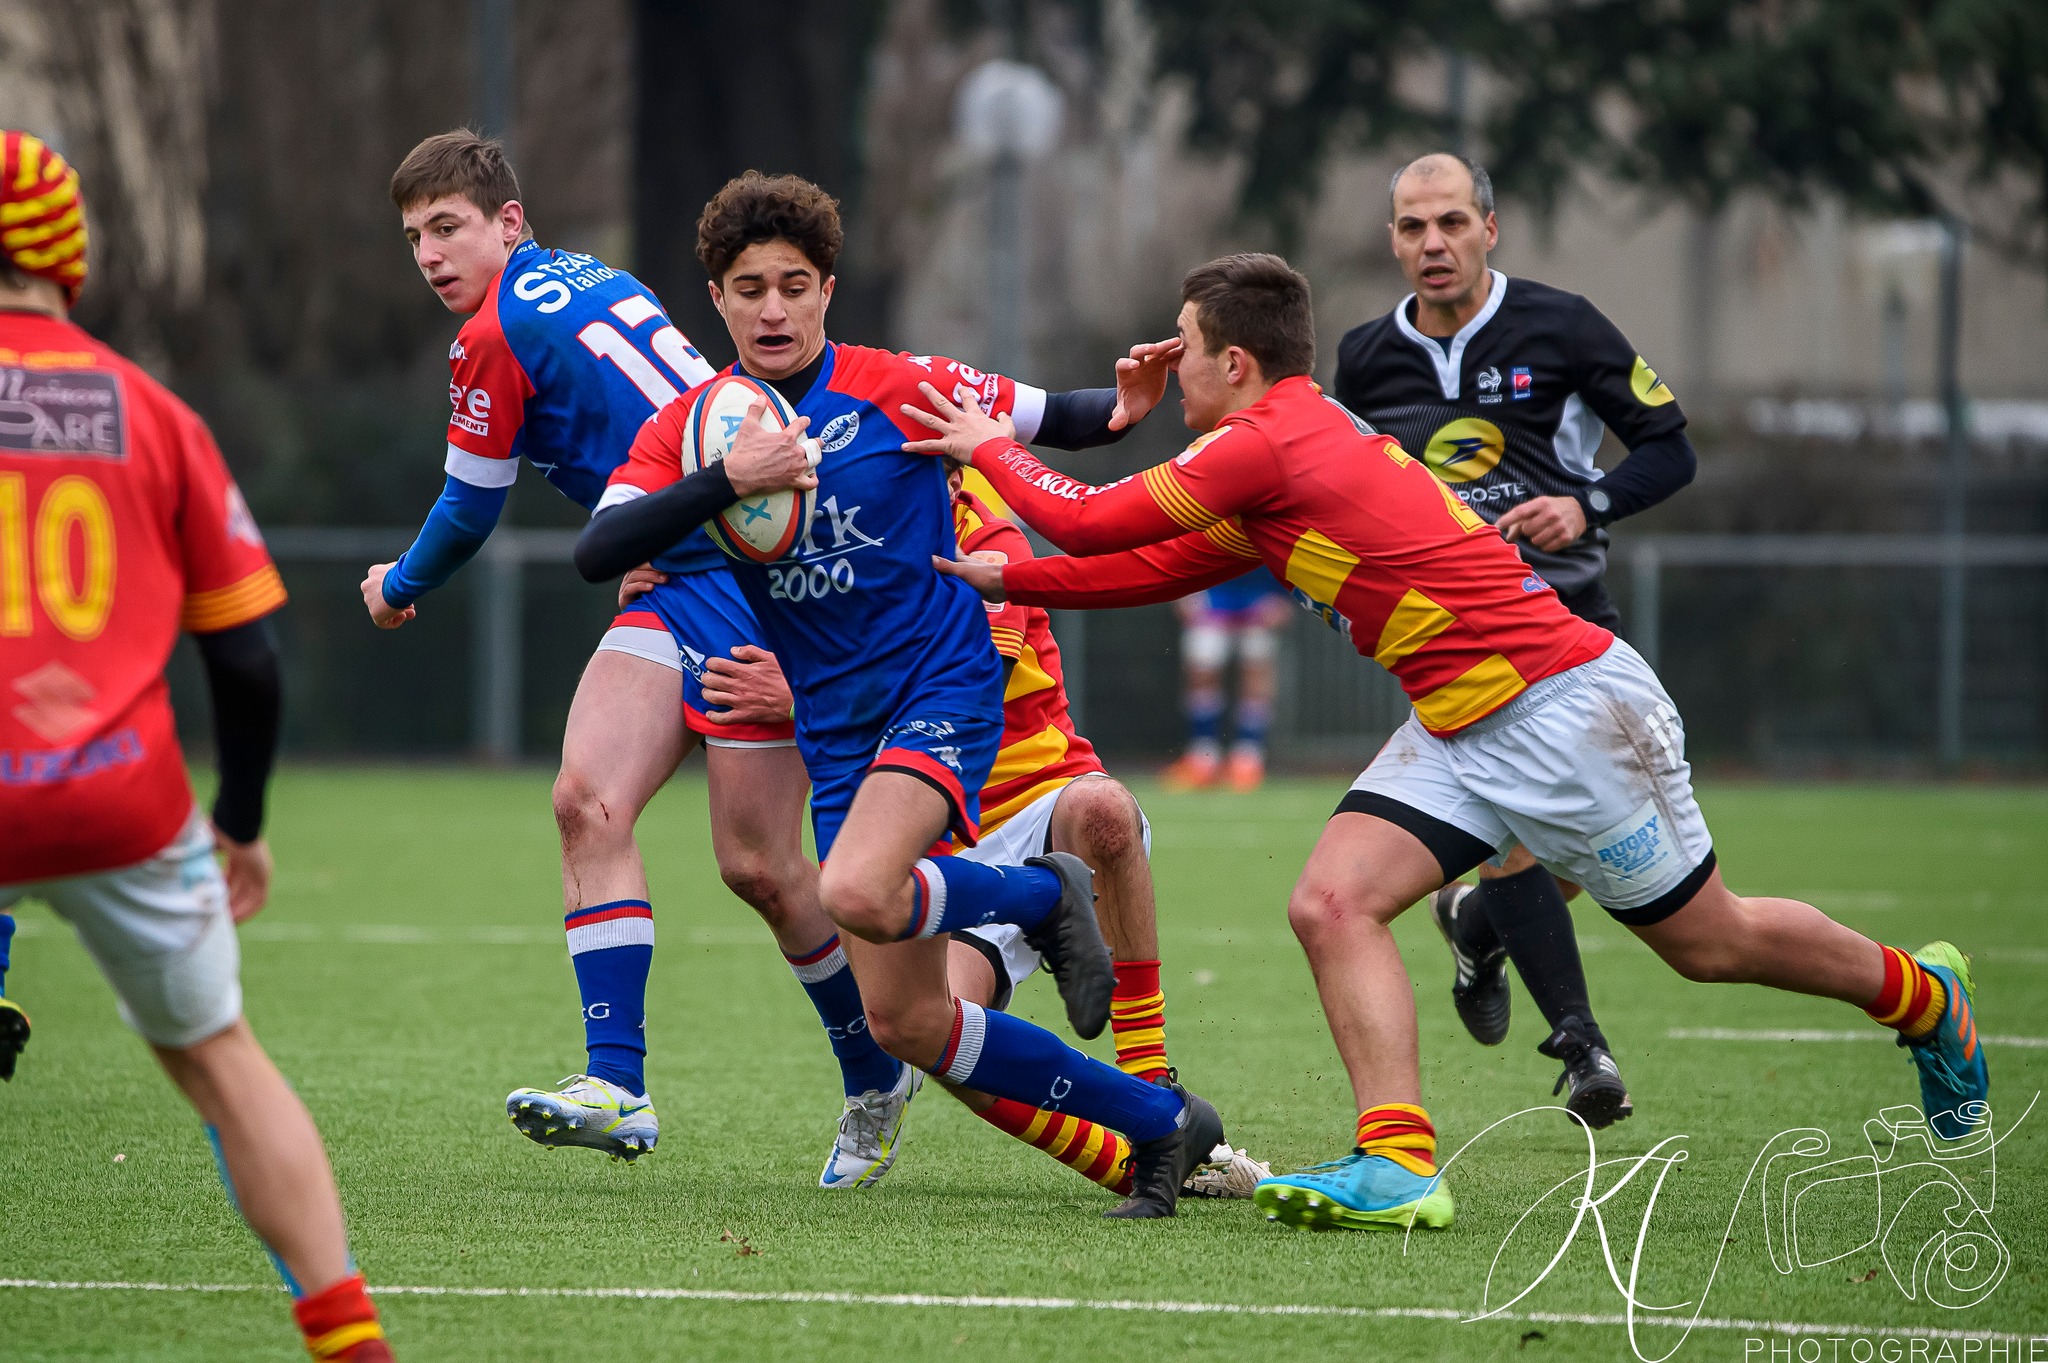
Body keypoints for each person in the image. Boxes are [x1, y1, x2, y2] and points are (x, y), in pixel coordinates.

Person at [911, 250, 1987, 1234]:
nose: (1167, 364)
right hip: (1461, 722)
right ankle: (1397, 1160)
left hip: (1561, 711)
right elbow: (1139, 568)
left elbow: (1094, 520)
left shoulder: (1269, 438)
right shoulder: (1272, 446)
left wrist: (992, 449)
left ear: (1232, 360)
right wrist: (1008, 577)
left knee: (1708, 943)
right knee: (1330, 902)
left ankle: (1923, 997)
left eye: (1181, 346)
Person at [574, 171, 1227, 1218]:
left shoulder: (894, 383)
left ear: (828, 289)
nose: (773, 309)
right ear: (717, 301)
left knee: (851, 892)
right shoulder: (690, 432)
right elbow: (599, 548)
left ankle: (1040, 896)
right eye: (748, 289)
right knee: (906, 1024)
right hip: (834, 728)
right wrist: (726, 482)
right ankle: (1160, 1125)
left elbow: (1051, 413)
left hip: (937, 683)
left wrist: (1122, 408)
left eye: (794, 285)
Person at [360, 131, 910, 1184]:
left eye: (447, 228)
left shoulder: (490, 333)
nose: (429, 254)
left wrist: (398, 586)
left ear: (507, 224)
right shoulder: (589, 277)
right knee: (585, 802)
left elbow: (470, 509)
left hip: (747, 582)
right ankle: (618, 1084)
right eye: (414, 236)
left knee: (759, 866)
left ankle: (873, 1071)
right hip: (679, 567)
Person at [0, 131, 395, 1360]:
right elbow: (244, 658)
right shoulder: (155, 415)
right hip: (118, 792)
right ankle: (348, 1338)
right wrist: (241, 819)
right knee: (223, 1061)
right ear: (73, 262)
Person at [641, 465, 1268, 1198]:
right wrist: (663, 579)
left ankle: (1152, 1078)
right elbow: (737, 556)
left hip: (1041, 799)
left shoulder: (983, 533)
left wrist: (801, 690)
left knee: (1104, 810)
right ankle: (1138, 1154)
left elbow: (966, 684)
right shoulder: (826, 534)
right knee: (927, 1029)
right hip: (935, 832)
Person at [1333, 152, 1701, 1126]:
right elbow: (1337, 497)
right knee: (1508, 844)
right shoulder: (1365, 359)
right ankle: (1583, 1049)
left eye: (1451, 222)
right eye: (1412, 228)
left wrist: (1584, 504)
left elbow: (1669, 448)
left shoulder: (1563, 325)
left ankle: (1474, 929)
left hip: (1573, 633)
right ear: (1392, 241)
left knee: (1586, 858)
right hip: (1454, 648)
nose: (1432, 244)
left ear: (1489, 228)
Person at [1162, 565, 1292, 792]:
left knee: (1256, 672)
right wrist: (1181, 590)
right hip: (1210, 594)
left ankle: (1248, 760)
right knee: (1202, 670)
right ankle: (1202, 758)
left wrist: (1286, 595)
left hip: (1261, 593)